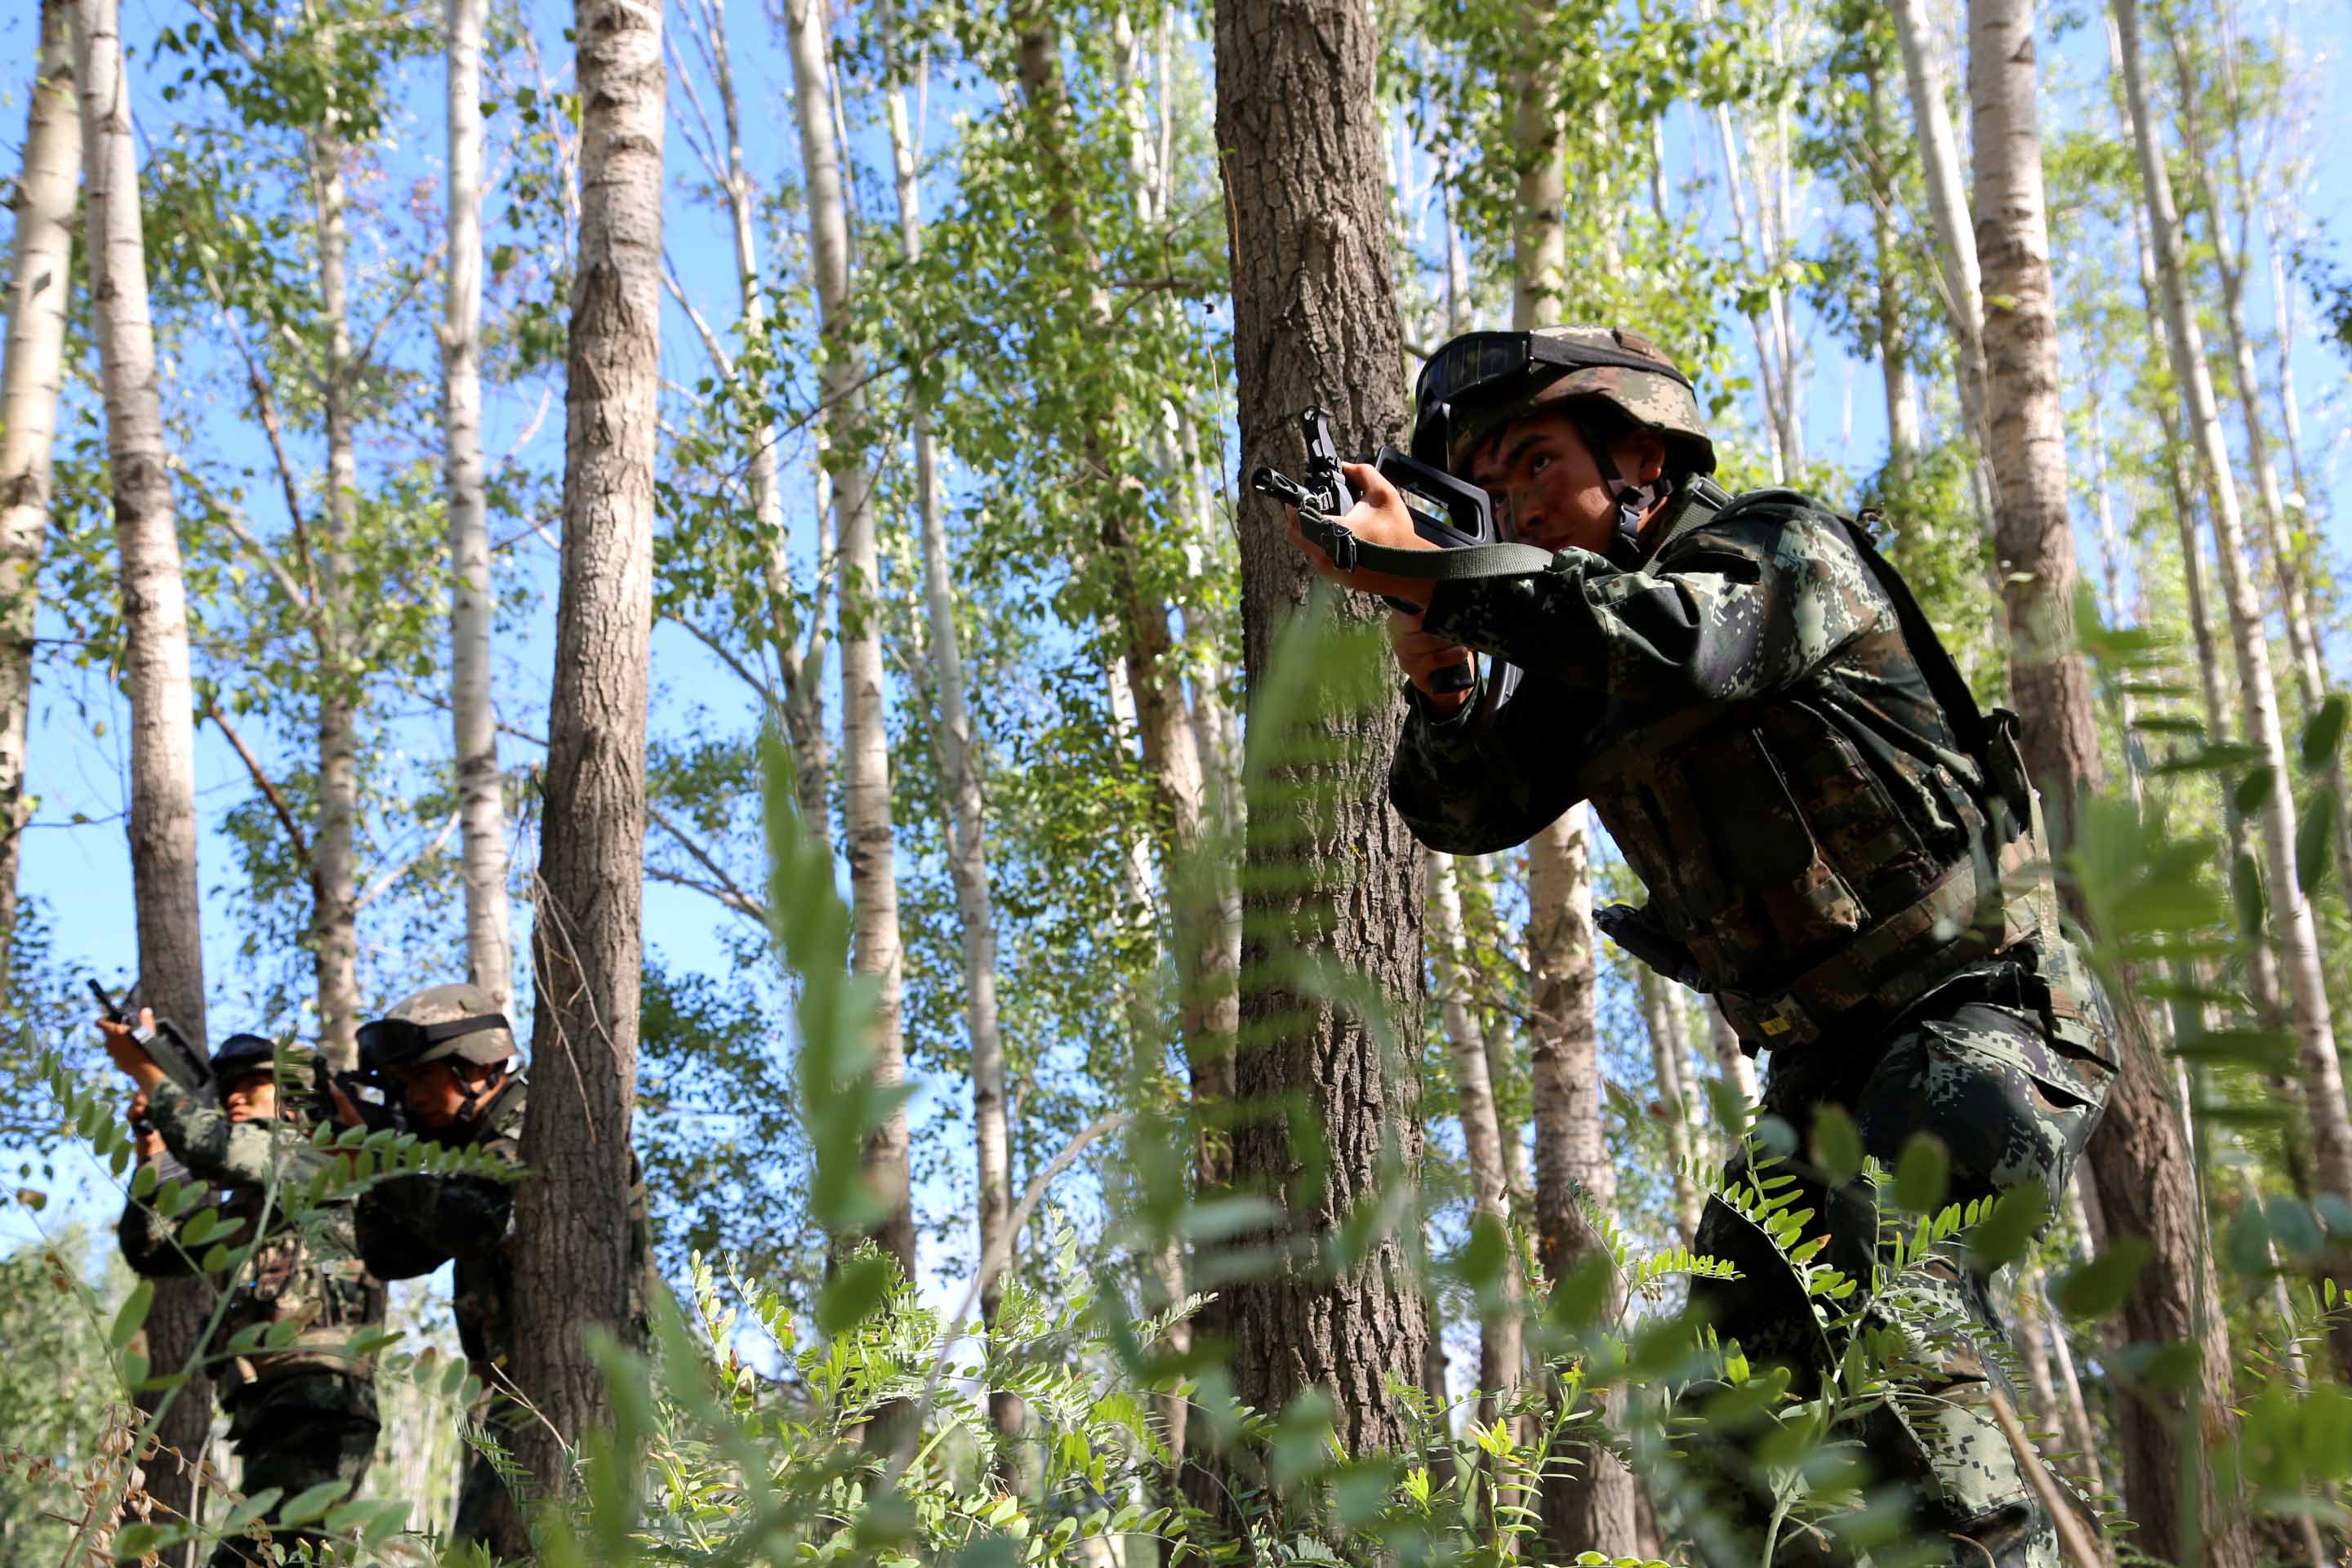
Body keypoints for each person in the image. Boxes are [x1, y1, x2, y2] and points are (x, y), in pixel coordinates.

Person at [1284, 324, 2117, 1566]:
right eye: (1489, 485)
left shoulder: (1778, 553)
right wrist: (1445, 676)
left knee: (1891, 1301)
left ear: (1644, 458)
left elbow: (1691, 645)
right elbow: (1463, 812)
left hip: (1984, 1010)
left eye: (1533, 462)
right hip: (1821, 1074)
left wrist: (1453, 579)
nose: (1511, 500)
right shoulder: (1579, 645)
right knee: (1728, 1425)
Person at [348, 982, 653, 1559]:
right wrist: (371, 1167)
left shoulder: (538, 1123)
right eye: (401, 1083)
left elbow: (478, 1223)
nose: (410, 1096)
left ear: (474, 1066)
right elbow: (390, 1257)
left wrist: (381, 1161)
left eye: (420, 1077)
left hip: (590, 1390)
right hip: (520, 1396)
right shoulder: (462, 1148)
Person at [108, 1020, 386, 1567]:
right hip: (265, 1408)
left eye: (252, 1085)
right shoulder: (244, 1209)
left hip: (321, 1399)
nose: (234, 1097)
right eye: (228, 1087)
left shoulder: (314, 1157)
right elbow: (153, 1248)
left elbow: (215, 1148)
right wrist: (154, 1156)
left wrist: (144, 1069)